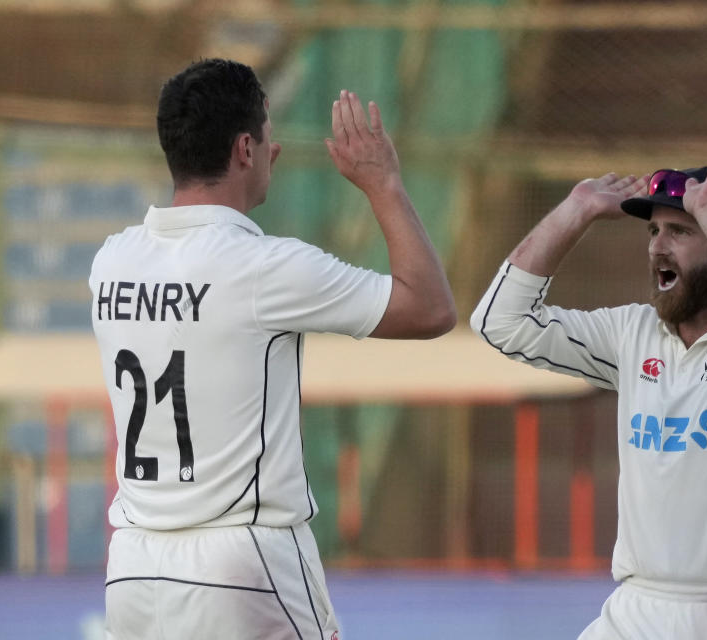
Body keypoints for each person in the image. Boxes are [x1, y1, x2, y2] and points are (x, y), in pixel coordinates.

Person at [90, 58, 455, 640]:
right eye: (266, 133)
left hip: (133, 569)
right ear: (244, 149)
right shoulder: (265, 267)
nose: (273, 146)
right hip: (245, 562)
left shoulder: (110, 262)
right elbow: (431, 307)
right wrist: (382, 183)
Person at [471, 133, 707, 639]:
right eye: (654, 230)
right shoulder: (632, 334)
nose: (657, 244)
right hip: (637, 610)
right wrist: (578, 210)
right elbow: (500, 322)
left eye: (681, 231)